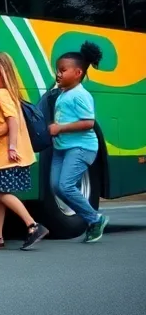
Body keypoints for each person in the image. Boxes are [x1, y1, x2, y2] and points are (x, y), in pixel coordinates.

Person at [0, 52, 48, 250]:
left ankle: (32, 225)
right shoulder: (2, 93)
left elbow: (11, 122)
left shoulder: (2, 94)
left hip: (7, 154)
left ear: (0, 71)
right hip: (2, 155)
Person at [49, 42, 108, 243]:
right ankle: (93, 219)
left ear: (78, 72)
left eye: (63, 70)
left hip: (81, 147)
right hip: (62, 148)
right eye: (57, 70)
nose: (58, 74)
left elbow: (89, 123)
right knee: (56, 187)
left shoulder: (81, 95)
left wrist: (59, 128)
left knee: (64, 185)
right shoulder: (64, 93)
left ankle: (95, 218)